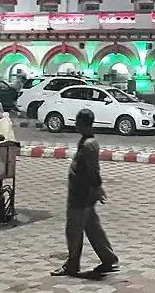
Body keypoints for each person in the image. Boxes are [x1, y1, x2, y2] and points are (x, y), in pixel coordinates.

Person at [51, 108, 119, 277]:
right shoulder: (86, 141)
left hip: (81, 194)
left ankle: (72, 263)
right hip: (83, 192)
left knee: (74, 229)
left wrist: (97, 187)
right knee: (93, 227)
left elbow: (93, 170)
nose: (76, 125)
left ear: (83, 124)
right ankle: (108, 258)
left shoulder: (89, 144)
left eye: (77, 122)